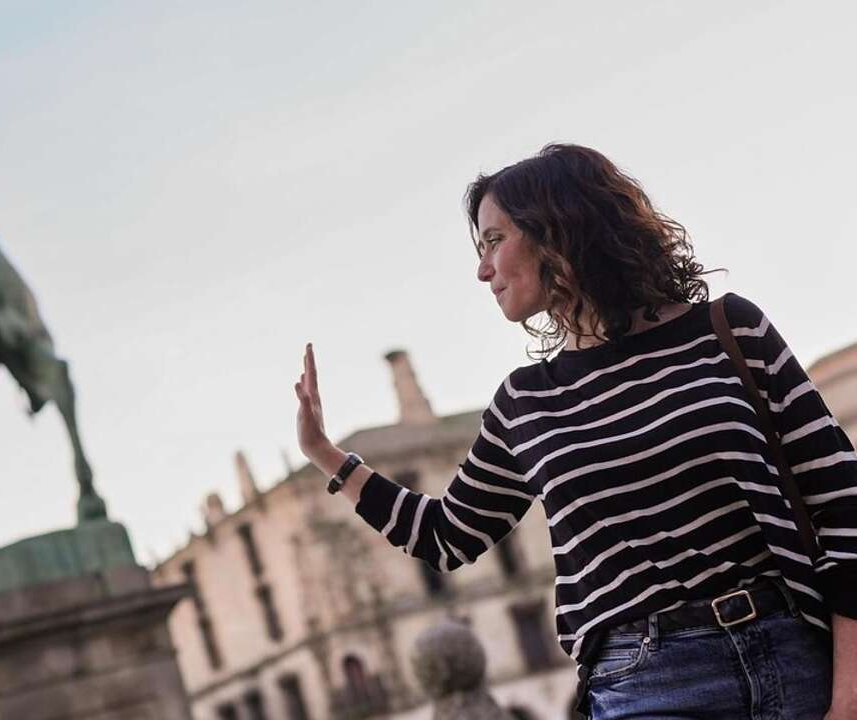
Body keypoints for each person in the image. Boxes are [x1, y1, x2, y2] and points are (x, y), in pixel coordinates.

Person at [293, 144, 857, 719]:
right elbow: (445, 535)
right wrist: (327, 457)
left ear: (557, 232)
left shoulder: (730, 330)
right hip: (645, 685)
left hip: (794, 656)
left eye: (493, 241)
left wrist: (848, 698)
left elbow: (844, 510)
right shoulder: (526, 402)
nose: (482, 269)